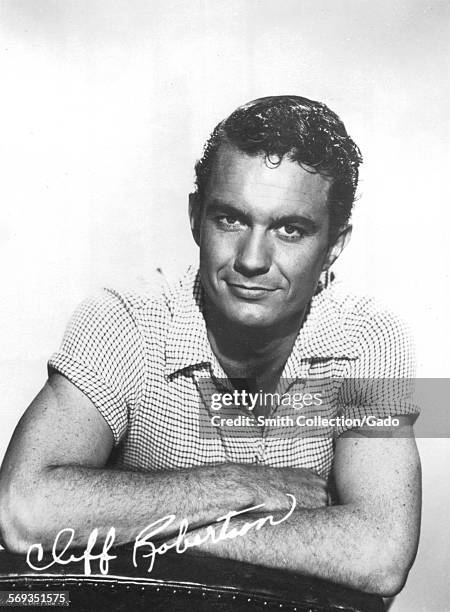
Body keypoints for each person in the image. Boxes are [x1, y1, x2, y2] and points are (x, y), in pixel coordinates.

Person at [0, 96, 421, 596]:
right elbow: (22, 511)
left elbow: (380, 554)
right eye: (231, 219)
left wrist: (134, 527)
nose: (251, 259)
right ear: (196, 216)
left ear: (334, 245)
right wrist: (242, 487)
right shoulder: (123, 320)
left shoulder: (373, 337)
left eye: (291, 230)